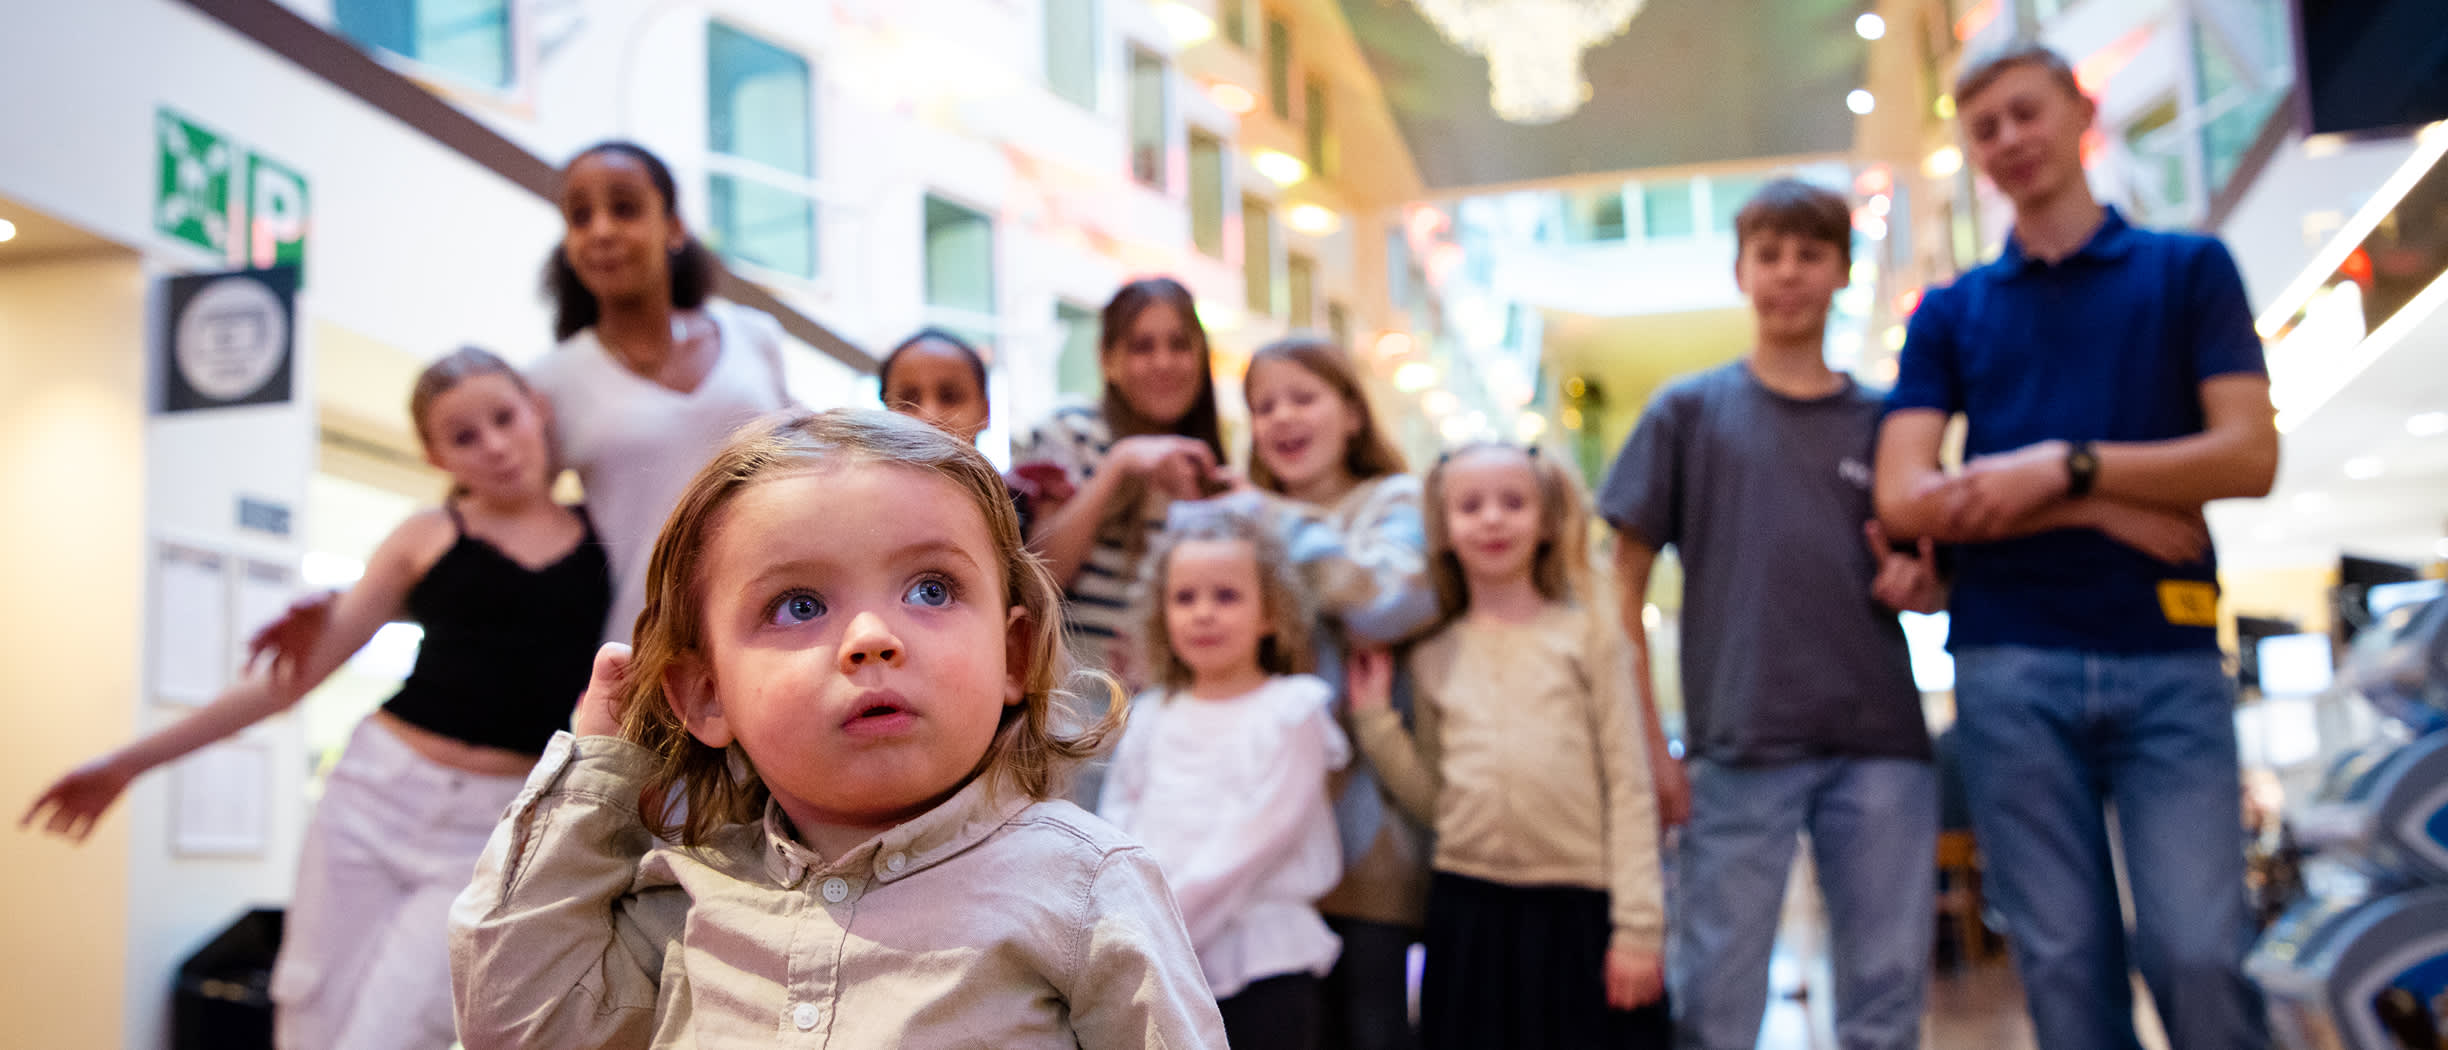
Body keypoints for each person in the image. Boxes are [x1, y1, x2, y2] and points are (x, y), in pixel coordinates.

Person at [449, 409, 1226, 1049]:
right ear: (706, 696)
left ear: (1013, 653)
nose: (871, 637)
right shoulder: (686, 897)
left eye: (931, 588)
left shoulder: (1084, 885)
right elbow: (517, 1027)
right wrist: (600, 769)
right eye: (799, 605)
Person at [23, 349, 610, 1050]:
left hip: (489, 823)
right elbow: (291, 680)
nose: (493, 445)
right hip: (376, 793)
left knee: (401, 1027)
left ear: (537, 411)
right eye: (463, 436)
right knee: (306, 1012)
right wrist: (126, 764)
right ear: (434, 455)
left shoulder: (608, 538)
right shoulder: (425, 536)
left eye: (503, 418)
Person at [1873, 42, 2279, 1050]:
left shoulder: (2189, 271)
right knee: (2061, 967)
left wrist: (2067, 465)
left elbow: (2248, 455)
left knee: (2200, 952)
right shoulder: (1951, 312)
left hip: (2171, 659)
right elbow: (1902, 496)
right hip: (2010, 661)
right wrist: (2086, 505)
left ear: (2078, 110)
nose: (2009, 141)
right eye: (1985, 130)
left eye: (2024, 114)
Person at [1597, 178, 1945, 1050]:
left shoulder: (1888, 421)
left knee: (1887, 994)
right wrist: (1651, 748)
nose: (1789, 273)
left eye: (1810, 254)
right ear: (1741, 271)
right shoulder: (1687, 412)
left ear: (1840, 271)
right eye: (1770, 254)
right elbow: (1619, 591)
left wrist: (1926, 589)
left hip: (1880, 746)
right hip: (1735, 748)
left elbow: (1936, 577)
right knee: (1717, 1000)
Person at [1345, 443, 1670, 1049]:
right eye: (1470, 506)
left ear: (1546, 520)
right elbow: (1438, 803)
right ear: (1442, 529)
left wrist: (1639, 928)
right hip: (1468, 913)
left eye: (1513, 502)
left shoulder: (1589, 640)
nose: (1492, 519)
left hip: (1577, 909)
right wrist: (1375, 724)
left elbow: (1629, 787)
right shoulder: (1432, 654)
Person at [1241, 335, 1440, 1050]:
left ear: (1353, 413)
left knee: (1372, 1025)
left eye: (1303, 397)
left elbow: (1386, 603)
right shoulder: (1245, 521)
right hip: (1265, 837)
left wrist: (1272, 517)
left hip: (1369, 836)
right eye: (1264, 406)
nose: (1282, 418)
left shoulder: (1396, 499)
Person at [1099, 509, 1349, 1050]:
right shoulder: (1150, 712)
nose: (1204, 614)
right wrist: (1128, 923)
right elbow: (1116, 825)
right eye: (1185, 598)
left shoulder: (1291, 711)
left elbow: (1255, 839)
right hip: (1154, 957)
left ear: (1270, 613)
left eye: (1227, 597)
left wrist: (1166, 926)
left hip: (1262, 962)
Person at [531, 140, 796, 642]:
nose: (602, 230)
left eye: (625, 208)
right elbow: (506, 521)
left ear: (674, 226)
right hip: (644, 647)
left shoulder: (754, 336)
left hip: (779, 624)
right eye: (580, 217)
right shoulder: (550, 382)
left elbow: (809, 460)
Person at [1013, 277, 1232, 686]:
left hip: (1173, 702)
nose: (1163, 362)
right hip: (1076, 701)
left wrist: (1193, 501)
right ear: (1107, 360)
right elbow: (1037, 579)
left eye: (1179, 345)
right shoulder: (1070, 430)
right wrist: (1119, 464)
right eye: (1142, 347)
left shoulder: (1209, 464)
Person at [879, 327, 1073, 535]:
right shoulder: (866, 508)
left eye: (950, 397)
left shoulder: (1025, 505)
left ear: (986, 413)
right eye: (908, 401)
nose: (929, 416)